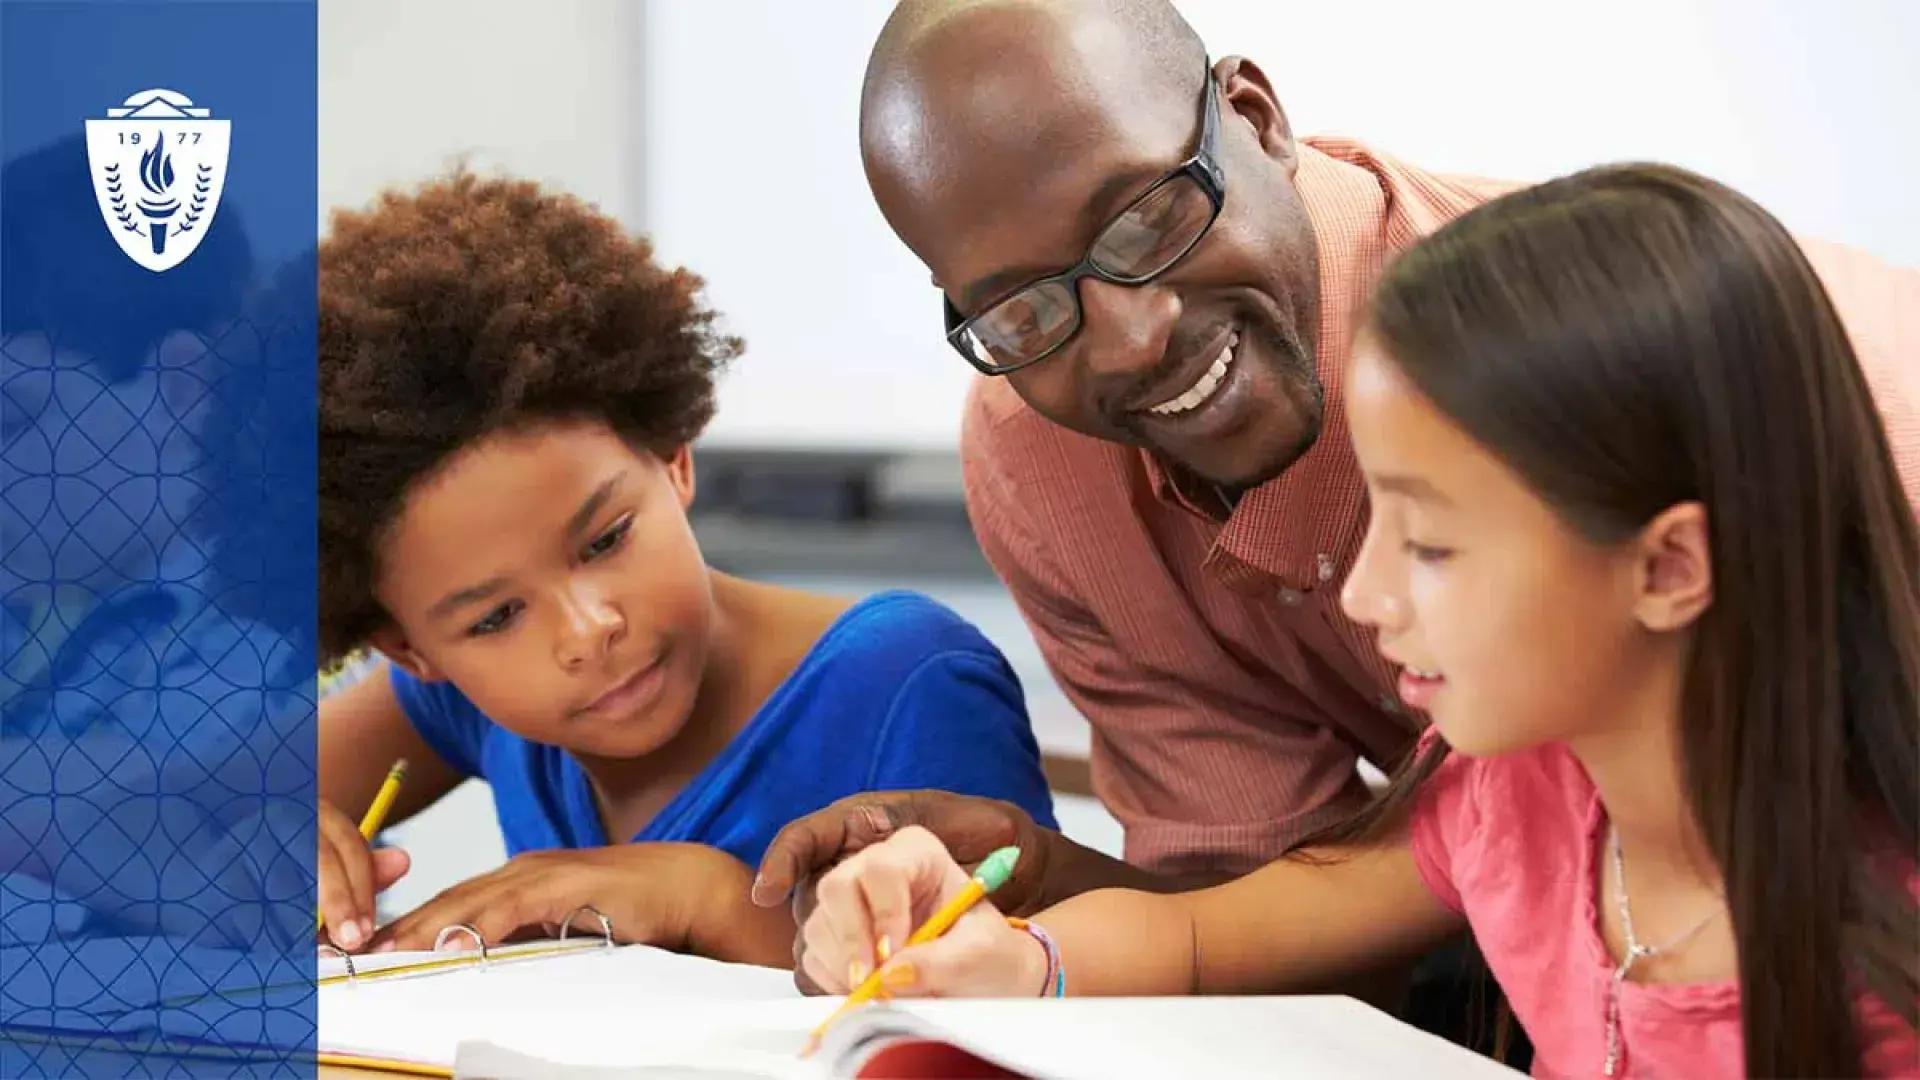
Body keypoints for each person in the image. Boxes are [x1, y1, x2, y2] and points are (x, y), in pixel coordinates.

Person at [752, 0, 1920, 1000]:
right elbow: (1238, 928)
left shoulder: (1739, 386)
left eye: (1149, 220)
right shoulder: (1492, 808)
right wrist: (1037, 908)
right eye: (1020, 311)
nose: (1129, 336)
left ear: (1257, 120)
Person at [312, 170, 1056, 966]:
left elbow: (1012, 987)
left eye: (605, 540)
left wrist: (705, 898)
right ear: (411, 650)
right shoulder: (462, 699)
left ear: (673, 459)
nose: (589, 630)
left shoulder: (907, 683)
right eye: (495, 617)